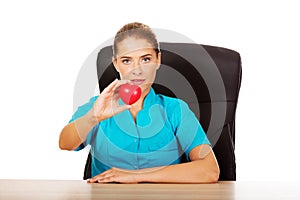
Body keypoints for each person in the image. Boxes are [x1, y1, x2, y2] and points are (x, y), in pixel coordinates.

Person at [59, 22, 220, 183]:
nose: (137, 70)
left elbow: (209, 170)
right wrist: (93, 117)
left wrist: (135, 176)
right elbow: (65, 143)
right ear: (116, 64)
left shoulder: (175, 109)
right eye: (127, 61)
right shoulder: (98, 106)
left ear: (158, 60)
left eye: (145, 59)